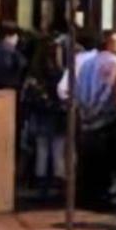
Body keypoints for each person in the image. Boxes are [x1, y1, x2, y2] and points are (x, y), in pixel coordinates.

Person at [62, 30, 116, 211]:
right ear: (109, 43)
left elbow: (77, 89)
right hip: (107, 119)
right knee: (106, 163)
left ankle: (86, 197)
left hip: (86, 118)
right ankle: (104, 199)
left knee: (88, 163)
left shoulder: (86, 64)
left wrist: (86, 111)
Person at [22, 35, 68, 196]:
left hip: (39, 114)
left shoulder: (33, 73)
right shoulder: (59, 73)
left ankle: (42, 184)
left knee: (42, 149)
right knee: (58, 150)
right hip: (56, 115)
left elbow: (27, 96)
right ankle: (58, 182)